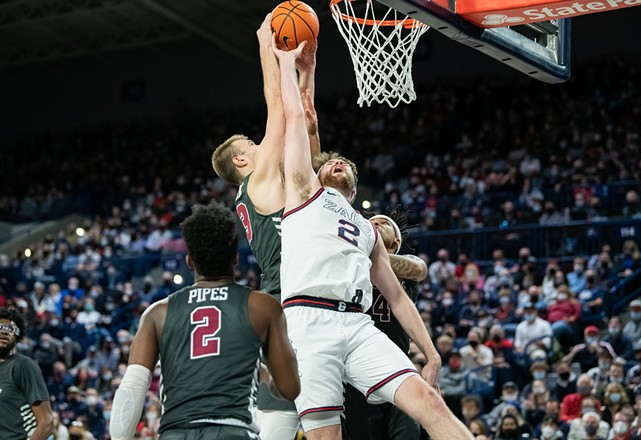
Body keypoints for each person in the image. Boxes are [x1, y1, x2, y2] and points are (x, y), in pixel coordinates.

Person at [272, 38, 473, 440]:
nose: (338, 161)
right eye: (330, 161)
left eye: (344, 162)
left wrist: (431, 356)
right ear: (319, 172)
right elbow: (297, 120)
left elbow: (397, 296)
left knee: (431, 402)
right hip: (308, 320)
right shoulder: (303, 192)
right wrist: (287, 65)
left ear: (353, 182)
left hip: (358, 322)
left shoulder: (366, 227)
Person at [211, 13, 319, 440]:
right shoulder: (258, 180)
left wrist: (307, 73)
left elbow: (304, 124)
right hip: (293, 298)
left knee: (301, 409)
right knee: (293, 414)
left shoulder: (264, 186)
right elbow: (278, 107)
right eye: (251, 146)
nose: (259, 144)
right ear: (241, 160)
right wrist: (267, 49)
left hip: (290, 294)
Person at [109, 203, 300, 440]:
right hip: (234, 431)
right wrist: (262, 373)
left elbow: (131, 391)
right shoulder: (262, 306)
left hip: (176, 432)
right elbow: (290, 389)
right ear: (236, 258)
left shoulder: (157, 313)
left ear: (189, 261)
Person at [343, 207, 428, 440]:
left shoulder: (407, 265)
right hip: (357, 371)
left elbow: (419, 269)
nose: (376, 224)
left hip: (397, 366)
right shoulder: (350, 266)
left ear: (397, 240)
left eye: (383, 223)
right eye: (371, 222)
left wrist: (364, 253)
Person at [0, 306, 54, 439]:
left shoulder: (23, 365)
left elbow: (46, 422)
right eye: (0, 327)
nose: (4, 332)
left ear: (17, 338)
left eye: (11, 330)